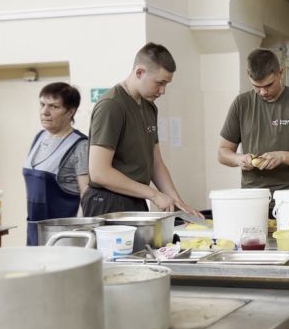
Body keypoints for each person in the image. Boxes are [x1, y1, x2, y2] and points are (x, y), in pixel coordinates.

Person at [83, 42, 201, 217]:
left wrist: (177, 202)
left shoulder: (149, 107)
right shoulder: (111, 106)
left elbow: (156, 163)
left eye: (166, 84)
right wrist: (153, 194)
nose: (162, 91)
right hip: (107, 202)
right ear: (139, 72)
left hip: (135, 199)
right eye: (159, 83)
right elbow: (99, 172)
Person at [218, 48, 289, 195]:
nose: (262, 92)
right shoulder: (241, 103)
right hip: (252, 196)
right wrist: (239, 159)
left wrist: (282, 156)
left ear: (280, 72)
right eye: (256, 86)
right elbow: (222, 152)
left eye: (268, 85)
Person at [23, 82, 89, 246]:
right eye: (42, 104)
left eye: (54, 106)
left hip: (63, 237)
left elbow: (87, 195)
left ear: (70, 111)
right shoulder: (39, 138)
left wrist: (82, 234)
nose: (45, 112)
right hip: (34, 230)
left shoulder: (80, 146)